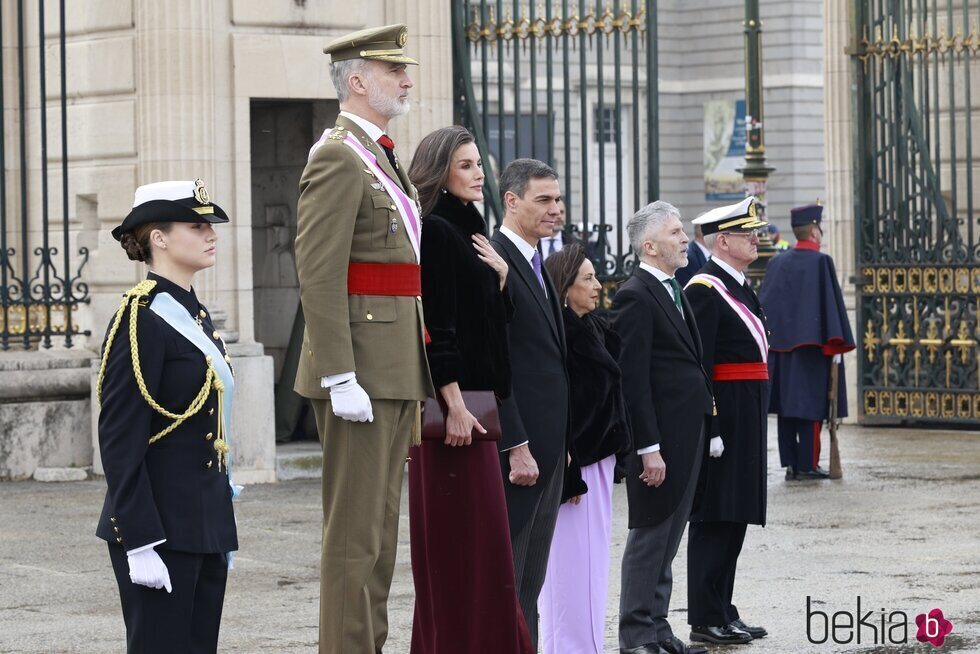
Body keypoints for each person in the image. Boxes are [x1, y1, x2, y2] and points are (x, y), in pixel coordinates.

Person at [294, 24, 434, 654]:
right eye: (392, 71)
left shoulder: (379, 154)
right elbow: (319, 272)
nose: (406, 81)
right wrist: (338, 373)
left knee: (378, 537)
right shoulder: (337, 154)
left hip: (394, 365)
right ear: (357, 80)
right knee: (355, 540)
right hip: (361, 372)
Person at [96, 179, 239, 653]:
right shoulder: (140, 318)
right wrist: (138, 540)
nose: (211, 233)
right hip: (158, 529)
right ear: (158, 238)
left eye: (211, 225)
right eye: (196, 225)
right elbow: (120, 438)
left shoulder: (194, 314)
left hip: (203, 522)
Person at [406, 126, 533, 654]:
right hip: (457, 418)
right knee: (463, 551)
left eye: (479, 163)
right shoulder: (436, 230)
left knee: (486, 553)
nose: (478, 173)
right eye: (465, 165)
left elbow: (491, 328)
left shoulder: (472, 230)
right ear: (441, 172)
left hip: (483, 410)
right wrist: (453, 403)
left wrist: (502, 280)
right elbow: (438, 325)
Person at [491, 158, 585, 648]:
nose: (557, 209)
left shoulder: (539, 260)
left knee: (531, 578)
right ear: (512, 201)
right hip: (520, 450)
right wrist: (517, 442)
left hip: (550, 446)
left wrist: (562, 443)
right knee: (509, 574)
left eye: (558, 199)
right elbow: (497, 362)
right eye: (543, 200)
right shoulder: (494, 257)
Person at [612, 201, 713, 654]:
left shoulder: (672, 287)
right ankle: (636, 635)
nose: (684, 238)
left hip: (685, 435)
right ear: (649, 246)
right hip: (660, 441)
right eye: (675, 233)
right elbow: (633, 380)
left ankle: (658, 627)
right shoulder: (635, 294)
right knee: (650, 535)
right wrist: (647, 447)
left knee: (670, 538)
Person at [684, 196, 771, 646]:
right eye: (746, 233)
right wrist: (712, 424)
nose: (756, 238)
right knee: (715, 516)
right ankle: (704, 615)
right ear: (723, 240)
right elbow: (702, 362)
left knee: (735, 515)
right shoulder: (704, 287)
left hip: (747, 410)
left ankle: (724, 608)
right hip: (726, 416)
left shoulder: (739, 284)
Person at [539, 242, 632, 654]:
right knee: (570, 569)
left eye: (596, 277)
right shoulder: (559, 334)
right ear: (565, 286)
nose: (598, 286)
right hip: (575, 464)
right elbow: (557, 405)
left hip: (600, 458)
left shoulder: (595, 327)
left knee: (592, 566)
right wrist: (569, 468)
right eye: (588, 279)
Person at [759, 204, 855, 480]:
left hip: (780, 350)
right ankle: (808, 464)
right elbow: (831, 307)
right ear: (814, 231)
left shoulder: (776, 262)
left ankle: (790, 464)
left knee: (787, 409)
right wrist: (835, 345)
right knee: (811, 410)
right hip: (811, 350)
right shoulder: (821, 262)